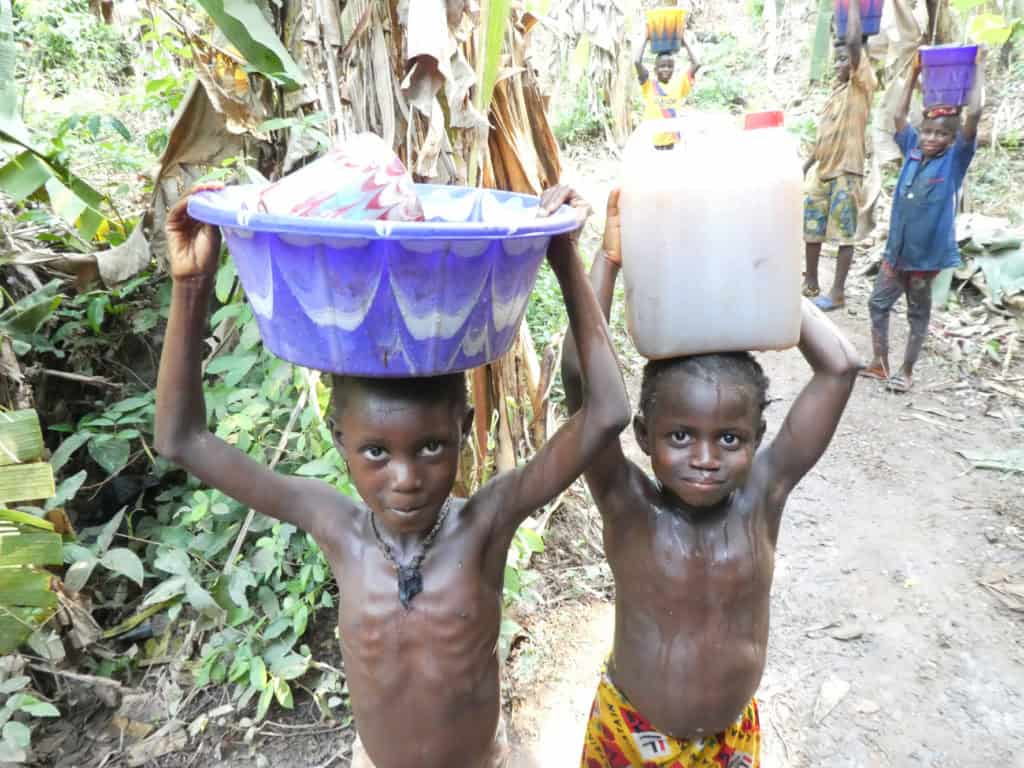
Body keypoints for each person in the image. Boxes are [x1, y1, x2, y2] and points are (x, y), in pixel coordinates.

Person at [154, 184, 631, 768]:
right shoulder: (334, 526)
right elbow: (182, 440)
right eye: (376, 453)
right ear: (339, 442)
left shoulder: (487, 523)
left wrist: (562, 255)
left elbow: (606, 412)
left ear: (465, 429)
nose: (405, 478)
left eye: (430, 447)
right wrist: (191, 284)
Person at [562, 191, 861, 767]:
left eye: (729, 438)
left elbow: (840, 365)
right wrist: (609, 255)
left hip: (730, 742)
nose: (706, 456)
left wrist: (764, 263)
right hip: (632, 732)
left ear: (757, 438)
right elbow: (581, 379)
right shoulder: (627, 503)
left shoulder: (762, 498)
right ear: (644, 436)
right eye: (681, 436)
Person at [862, 50, 985, 393]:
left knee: (917, 312)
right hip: (896, 251)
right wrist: (915, 74)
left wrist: (977, 68)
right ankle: (880, 362)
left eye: (941, 134)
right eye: (928, 131)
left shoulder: (955, 159)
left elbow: (974, 113)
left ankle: (907, 370)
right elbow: (899, 114)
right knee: (878, 303)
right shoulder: (913, 148)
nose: (932, 138)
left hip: (925, 257)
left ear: (952, 139)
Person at [802, 0, 877, 312]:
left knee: (845, 234)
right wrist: (804, 166)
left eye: (844, 59)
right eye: (836, 60)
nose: (838, 64)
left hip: (847, 170)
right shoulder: (834, 92)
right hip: (822, 170)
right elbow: (822, 138)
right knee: (811, 228)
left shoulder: (862, 86)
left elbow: (855, 47)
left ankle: (837, 292)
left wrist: (853, 12)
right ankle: (811, 282)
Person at [635, 28, 701, 149]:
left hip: (672, 142)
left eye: (670, 66)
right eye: (662, 66)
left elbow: (696, 64)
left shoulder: (679, 84)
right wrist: (645, 38)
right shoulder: (648, 85)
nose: (666, 69)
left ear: (673, 69)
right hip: (652, 142)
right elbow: (637, 62)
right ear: (655, 69)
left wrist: (684, 42)